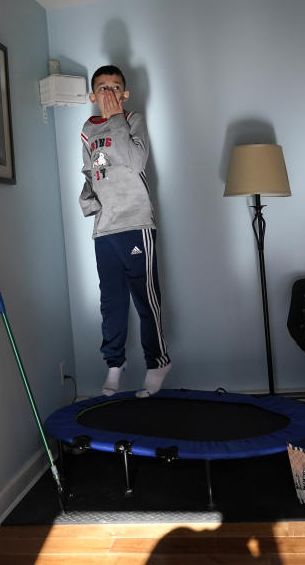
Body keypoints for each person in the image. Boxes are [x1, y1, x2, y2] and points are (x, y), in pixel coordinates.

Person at [80, 65, 171, 398]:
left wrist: (116, 118)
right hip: (105, 230)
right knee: (111, 301)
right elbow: (92, 170)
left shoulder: (132, 119)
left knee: (145, 297)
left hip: (135, 224)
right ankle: (114, 364)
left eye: (115, 87)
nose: (108, 93)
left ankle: (158, 361)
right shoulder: (88, 128)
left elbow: (135, 163)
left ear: (124, 93)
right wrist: (89, 203)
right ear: (92, 96)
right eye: (102, 88)